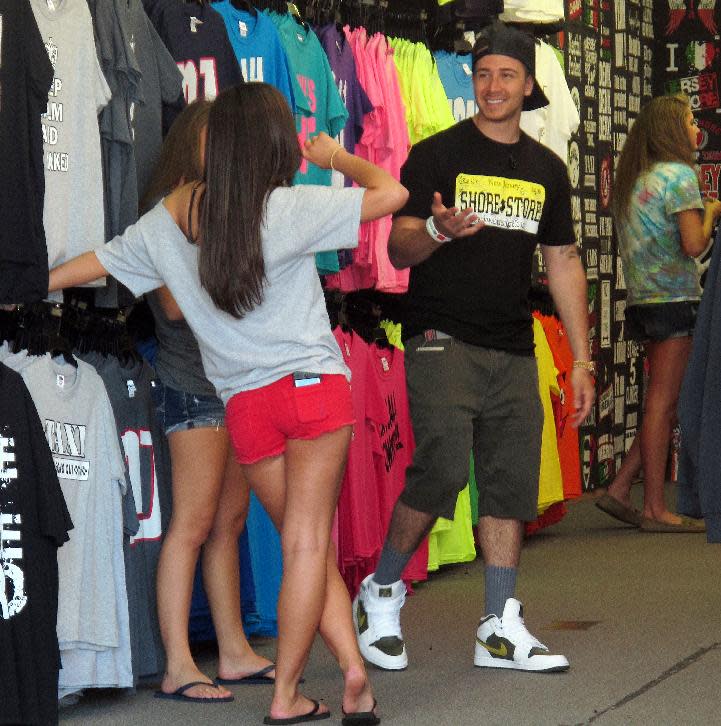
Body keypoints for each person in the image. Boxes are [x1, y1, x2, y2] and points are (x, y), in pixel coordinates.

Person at [48, 82, 408, 725]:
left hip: (246, 409)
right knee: (307, 546)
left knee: (305, 549)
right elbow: (392, 193)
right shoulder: (287, 207)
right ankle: (286, 695)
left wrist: (26, 281)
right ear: (270, 143)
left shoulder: (170, 220)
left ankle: (354, 672)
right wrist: (335, 157)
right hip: (312, 393)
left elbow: (98, 263)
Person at [351, 21, 595, 675]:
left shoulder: (547, 169)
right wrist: (435, 227)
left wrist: (584, 357)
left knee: (510, 485)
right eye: (483, 72)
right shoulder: (436, 154)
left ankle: (498, 623)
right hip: (439, 335)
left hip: (514, 345)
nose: (493, 85)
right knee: (441, 470)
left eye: (506, 75)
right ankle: (380, 593)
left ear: (525, 87)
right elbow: (397, 246)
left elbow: (564, 262)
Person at [138, 99, 275, 703]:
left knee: (230, 523)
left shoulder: (226, 210)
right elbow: (171, 306)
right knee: (190, 526)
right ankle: (176, 664)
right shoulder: (164, 215)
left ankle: (235, 651)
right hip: (189, 387)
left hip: (232, 382)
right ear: (194, 145)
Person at [596, 94, 721, 533]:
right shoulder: (680, 177)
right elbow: (693, 245)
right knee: (663, 405)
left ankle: (620, 487)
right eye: (689, 121)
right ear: (672, 129)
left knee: (661, 404)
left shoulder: (636, 178)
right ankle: (654, 507)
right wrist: (712, 213)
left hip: (644, 302)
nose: (696, 129)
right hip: (675, 301)